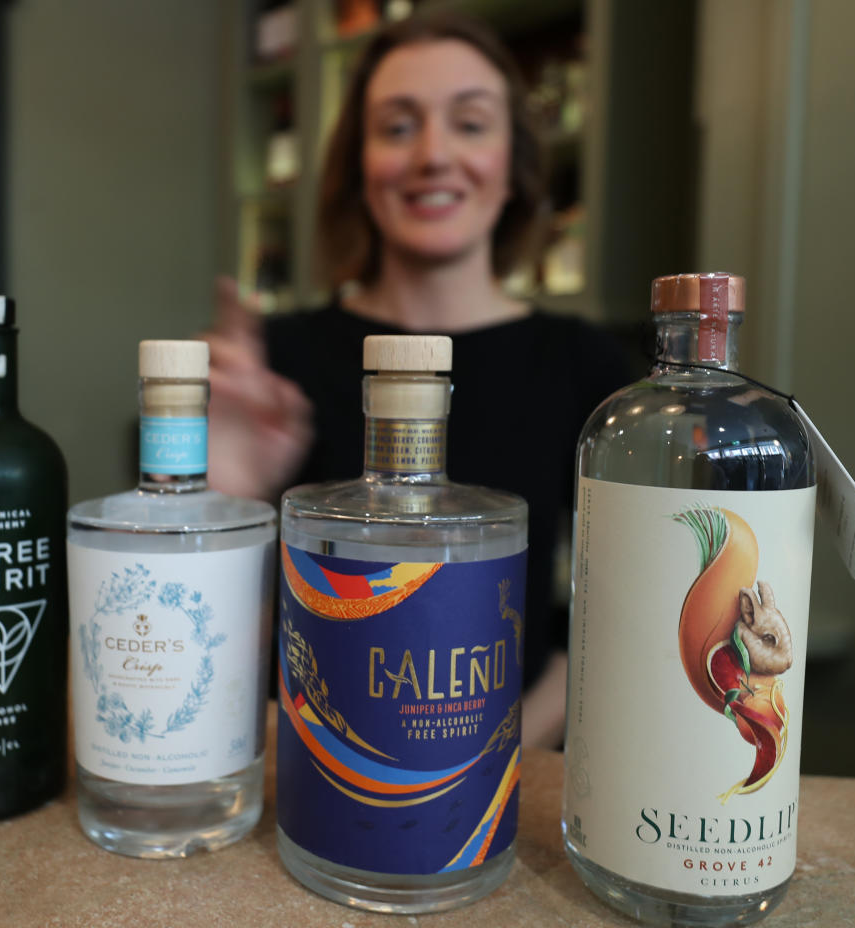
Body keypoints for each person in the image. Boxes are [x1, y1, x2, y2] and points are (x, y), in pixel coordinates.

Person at [205, 11, 630, 749]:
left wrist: (490, 754)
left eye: (469, 123)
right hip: (312, 774)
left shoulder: (586, 366)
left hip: (507, 779)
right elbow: (213, 652)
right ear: (359, 168)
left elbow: (613, 620)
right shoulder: (273, 362)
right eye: (398, 127)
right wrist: (228, 498)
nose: (433, 154)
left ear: (513, 165)